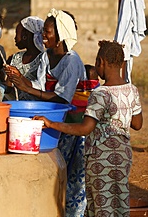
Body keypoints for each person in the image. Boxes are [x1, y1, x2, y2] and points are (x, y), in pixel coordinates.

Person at [34, 40, 143, 216]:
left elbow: (85, 129)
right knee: (119, 199)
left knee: (101, 202)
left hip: (101, 158)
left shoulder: (100, 94)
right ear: (122, 64)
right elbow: (137, 124)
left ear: (101, 63)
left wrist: (52, 124)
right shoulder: (132, 90)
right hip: (123, 156)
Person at [5, 8, 87, 216]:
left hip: (73, 124)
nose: (43, 35)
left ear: (60, 36)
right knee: (55, 170)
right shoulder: (45, 57)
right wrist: (19, 81)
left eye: (48, 32)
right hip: (53, 120)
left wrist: (26, 87)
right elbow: (40, 87)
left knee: (73, 179)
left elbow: (62, 98)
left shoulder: (71, 60)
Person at [4, 16, 44, 100]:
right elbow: (8, 88)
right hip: (17, 105)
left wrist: (20, 77)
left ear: (25, 36)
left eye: (17, 33)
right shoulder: (16, 57)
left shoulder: (43, 59)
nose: (15, 38)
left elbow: (42, 87)